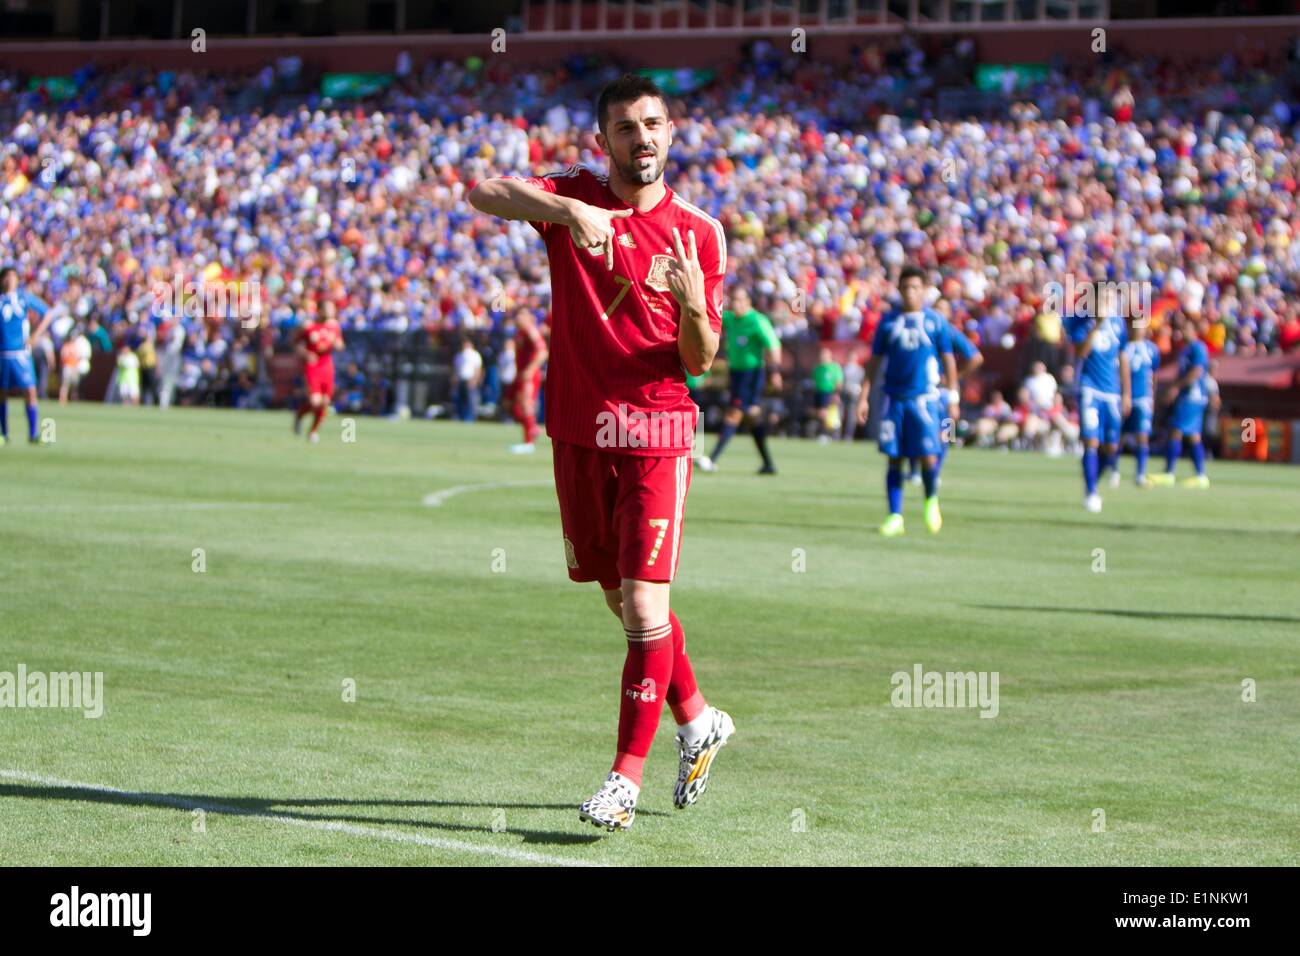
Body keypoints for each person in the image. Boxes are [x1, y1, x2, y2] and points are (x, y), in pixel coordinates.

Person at [467, 72, 734, 831]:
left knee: (646, 603)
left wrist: (690, 304)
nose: (641, 138)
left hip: (656, 432)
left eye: (653, 124)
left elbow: (700, 358)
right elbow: (482, 192)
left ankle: (623, 781)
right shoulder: (571, 196)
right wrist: (568, 208)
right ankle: (700, 718)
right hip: (580, 432)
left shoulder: (700, 232)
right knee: (618, 600)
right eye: (626, 127)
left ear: (671, 134)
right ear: (602, 140)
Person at [854, 266, 957, 536]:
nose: (910, 292)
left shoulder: (935, 322)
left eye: (915, 287)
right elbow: (874, 364)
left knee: (928, 456)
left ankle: (930, 500)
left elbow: (949, 359)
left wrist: (954, 395)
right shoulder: (888, 323)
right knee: (893, 457)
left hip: (924, 399)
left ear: (923, 290)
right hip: (893, 399)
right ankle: (894, 516)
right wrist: (864, 397)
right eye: (906, 287)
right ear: (899, 290)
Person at [696, 288, 781, 474]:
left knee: (733, 413)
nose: (736, 304)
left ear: (749, 302)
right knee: (752, 417)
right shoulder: (730, 318)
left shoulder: (757, 320)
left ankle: (712, 459)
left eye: (740, 300)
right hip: (735, 373)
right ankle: (768, 464)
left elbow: (774, 346)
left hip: (751, 375)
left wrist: (775, 372)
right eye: (733, 300)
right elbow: (709, 315)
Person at [1066, 301, 1131, 512]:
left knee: (1111, 446)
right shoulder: (1080, 320)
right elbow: (1080, 353)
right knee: (1091, 441)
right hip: (1090, 388)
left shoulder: (1118, 322)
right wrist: (1096, 325)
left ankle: (1094, 479)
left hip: (1112, 392)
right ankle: (1091, 490)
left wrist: (1127, 392)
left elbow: (1122, 356)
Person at [1151, 313, 1210, 488]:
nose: (1181, 331)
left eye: (1185, 328)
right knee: (1193, 436)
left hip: (1192, 396)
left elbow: (1196, 372)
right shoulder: (1185, 349)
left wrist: (1176, 387)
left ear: (1194, 330)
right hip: (1191, 396)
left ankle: (1169, 472)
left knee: (1175, 431)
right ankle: (1200, 475)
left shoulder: (1198, 348)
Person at [0, 266, 55, 446]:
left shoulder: (23, 298)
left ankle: (33, 434)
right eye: (6, 277)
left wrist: (34, 337)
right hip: (2, 354)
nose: (9, 280)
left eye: (13, 277)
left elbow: (47, 313)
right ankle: (3, 434)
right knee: (2, 394)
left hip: (20, 354)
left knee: (30, 391)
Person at [293, 298, 344, 442]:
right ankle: (300, 415)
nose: (331, 311)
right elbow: (296, 344)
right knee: (315, 401)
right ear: (320, 310)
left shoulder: (334, 327)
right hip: (313, 366)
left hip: (327, 366)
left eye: (332, 309)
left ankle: (313, 432)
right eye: (328, 308)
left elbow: (340, 346)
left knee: (325, 402)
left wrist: (335, 343)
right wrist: (306, 354)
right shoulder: (309, 326)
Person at [1121, 319, 1161, 486]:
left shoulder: (1152, 349)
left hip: (1144, 398)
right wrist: (1124, 395)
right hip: (1126, 398)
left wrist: (1153, 397)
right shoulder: (1125, 348)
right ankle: (1114, 470)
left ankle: (1140, 474)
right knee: (1119, 436)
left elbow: (1155, 374)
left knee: (1142, 436)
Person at [506, 308, 547, 452]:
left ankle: (529, 442)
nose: (518, 317)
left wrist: (530, 369)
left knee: (525, 404)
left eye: (522, 315)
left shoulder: (531, 331)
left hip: (529, 374)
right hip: (521, 373)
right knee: (512, 403)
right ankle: (533, 427)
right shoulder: (519, 333)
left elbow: (542, 352)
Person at [811, 347, 843, 443]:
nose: (822, 357)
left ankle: (825, 434)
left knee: (824, 413)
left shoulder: (834, 367)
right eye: (821, 355)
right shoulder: (817, 368)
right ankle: (822, 433)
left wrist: (836, 394)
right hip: (818, 392)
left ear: (829, 356)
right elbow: (814, 381)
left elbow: (838, 382)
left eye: (824, 355)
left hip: (828, 392)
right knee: (818, 413)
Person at [452, 337, 484, 422]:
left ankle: (470, 418)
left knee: (471, 400)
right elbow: (456, 368)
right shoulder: (459, 355)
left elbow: (478, 368)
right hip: (461, 379)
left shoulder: (475, 355)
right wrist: (455, 378)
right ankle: (460, 416)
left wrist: (475, 379)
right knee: (460, 400)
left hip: (470, 379)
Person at [58, 326, 91, 405]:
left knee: (73, 385)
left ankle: (73, 399)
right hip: (69, 366)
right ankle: (63, 399)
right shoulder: (68, 346)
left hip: (72, 367)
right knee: (66, 384)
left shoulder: (73, 346)